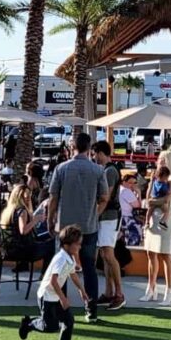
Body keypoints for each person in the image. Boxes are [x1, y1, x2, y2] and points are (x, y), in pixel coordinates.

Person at [48, 132, 109, 324]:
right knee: (89, 268)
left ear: (72, 146)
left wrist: (50, 220)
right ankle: (91, 311)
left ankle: (61, 310)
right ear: (89, 148)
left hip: (65, 227)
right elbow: (104, 198)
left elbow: (53, 198)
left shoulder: (61, 169)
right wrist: (94, 213)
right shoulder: (98, 171)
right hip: (88, 227)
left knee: (61, 269)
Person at [19, 224, 88, 340]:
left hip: (56, 295)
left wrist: (82, 290)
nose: (80, 247)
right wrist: (63, 298)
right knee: (50, 326)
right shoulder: (61, 259)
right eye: (77, 244)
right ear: (67, 245)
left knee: (68, 321)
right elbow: (53, 281)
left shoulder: (70, 258)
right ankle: (29, 324)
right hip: (46, 296)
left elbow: (73, 275)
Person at [142, 149, 171, 306]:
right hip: (153, 220)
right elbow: (148, 197)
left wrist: (152, 202)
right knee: (151, 254)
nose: (159, 162)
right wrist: (151, 182)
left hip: (165, 220)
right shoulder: (157, 177)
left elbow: (165, 199)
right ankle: (151, 289)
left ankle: (169, 290)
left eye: (162, 160)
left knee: (166, 255)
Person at [91, 140, 125, 312]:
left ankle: (119, 294)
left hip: (110, 217)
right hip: (105, 216)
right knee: (105, 255)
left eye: (94, 154)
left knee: (109, 255)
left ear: (100, 153)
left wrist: (95, 214)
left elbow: (106, 196)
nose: (93, 157)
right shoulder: (105, 170)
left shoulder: (110, 171)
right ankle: (109, 292)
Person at [1, 184, 54, 269]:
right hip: (24, 251)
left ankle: (23, 265)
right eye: (26, 194)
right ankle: (45, 275)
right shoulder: (22, 211)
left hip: (10, 250)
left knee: (48, 237)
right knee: (52, 244)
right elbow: (23, 231)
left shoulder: (9, 211)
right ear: (20, 196)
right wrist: (35, 220)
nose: (29, 196)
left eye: (29, 194)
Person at [119, 173, 143, 246]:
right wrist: (139, 193)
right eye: (130, 183)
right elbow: (137, 205)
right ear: (124, 182)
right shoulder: (126, 191)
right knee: (135, 234)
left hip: (120, 216)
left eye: (135, 183)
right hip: (126, 217)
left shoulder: (120, 189)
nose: (132, 185)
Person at [147, 165, 171, 230]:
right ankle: (161, 221)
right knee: (166, 211)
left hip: (153, 199)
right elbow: (166, 192)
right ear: (164, 176)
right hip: (160, 200)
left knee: (149, 211)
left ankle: (147, 222)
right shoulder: (164, 185)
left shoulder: (155, 181)